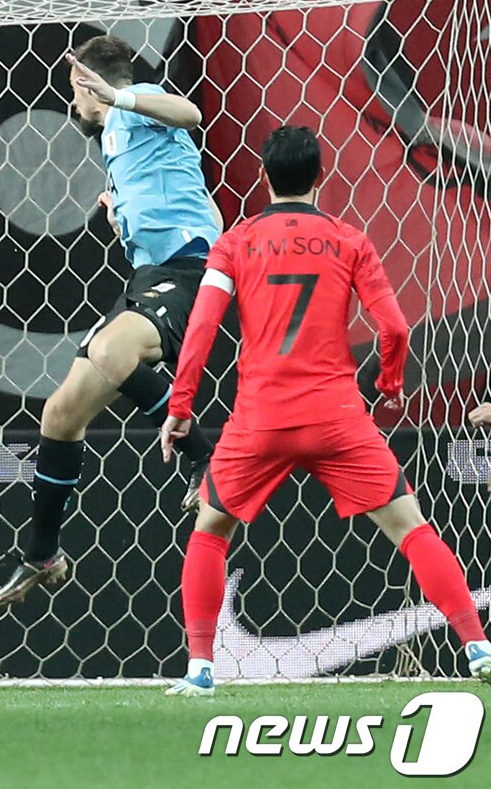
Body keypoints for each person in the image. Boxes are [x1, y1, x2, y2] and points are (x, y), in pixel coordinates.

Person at [159, 125, 490, 695]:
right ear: (320, 177)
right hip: (336, 415)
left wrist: (182, 406)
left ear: (265, 177)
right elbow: (394, 326)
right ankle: (476, 644)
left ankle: (200, 668)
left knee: (210, 531)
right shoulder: (350, 240)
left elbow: (203, 327)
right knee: (410, 528)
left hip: (260, 418)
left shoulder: (234, 243)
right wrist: (387, 384)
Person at [0, 35, 224, 608]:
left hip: (187, 269)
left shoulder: (135, 101)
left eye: (77, 92)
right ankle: (43, 553)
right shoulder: (118, 137)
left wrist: (118, 97)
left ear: (90, 84)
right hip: (149, 277)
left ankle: (204, 451)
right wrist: (121, 207)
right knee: (60, 413)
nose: (75, 106)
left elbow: (189, 113)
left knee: (115, 354)